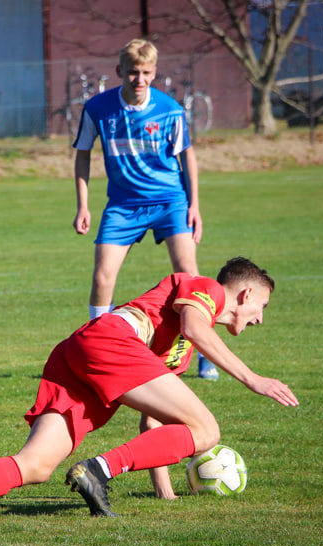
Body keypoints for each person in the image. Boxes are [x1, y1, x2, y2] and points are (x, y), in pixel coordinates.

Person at [0, 257, 299, 526]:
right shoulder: (206, 289)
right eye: (262, 307)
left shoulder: (178, 348)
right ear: (246, 295)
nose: (259, 319)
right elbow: (195, 326)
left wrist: (165, 491)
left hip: (81, 352)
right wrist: (253, 379)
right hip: (110, 341)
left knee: (35, 465)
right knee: (207, 431)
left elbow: (154, 421)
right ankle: (97, 470)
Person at [71, 38, 220, 381]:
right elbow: (82, 154)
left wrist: (194, 205)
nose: (140, 79)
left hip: (170, 200)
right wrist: (83, 205)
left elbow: (188, 156)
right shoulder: (97, 109)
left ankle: (202, 353)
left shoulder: (170, 110)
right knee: (103, 275)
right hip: (123, 205)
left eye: (147, 73)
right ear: (119, 71)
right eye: (133, 72)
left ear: (155, 73)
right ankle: (99, 350)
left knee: (189, 275)